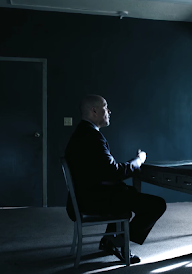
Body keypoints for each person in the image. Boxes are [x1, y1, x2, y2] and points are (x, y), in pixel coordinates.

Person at [64, 94, 167, 264]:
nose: (109, 111)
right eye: (106, 107)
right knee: (157, 204)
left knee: (128, 192)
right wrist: (139, 160)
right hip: (92, 201)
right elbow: (114, 172)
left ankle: (109, 240)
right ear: (94, 111)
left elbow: (103, 172)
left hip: (85, 196)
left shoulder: (83, 133)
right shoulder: (92, 137)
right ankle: (118, 241)